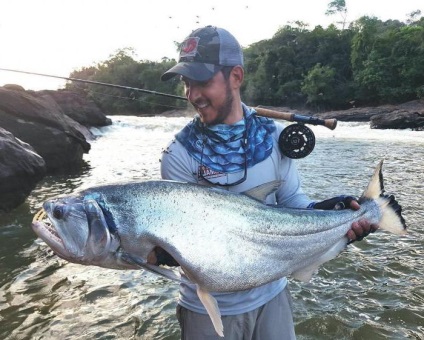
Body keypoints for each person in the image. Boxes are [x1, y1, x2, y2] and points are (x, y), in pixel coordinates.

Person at [159, 25, 378, 340]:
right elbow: (189, 238)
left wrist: (330, 214)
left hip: (272, 296)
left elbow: (292, 204)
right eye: (186, 83)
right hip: (207, 310)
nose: (192, 96)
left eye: (202, 82)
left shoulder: (274, 138)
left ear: (236, 76)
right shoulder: (179, 154)